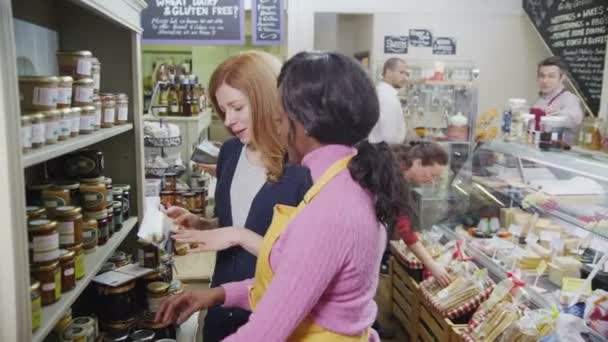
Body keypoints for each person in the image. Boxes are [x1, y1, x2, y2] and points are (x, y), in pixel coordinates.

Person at [157, 51, 409, 341]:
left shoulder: (332, 208)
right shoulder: (344, 182)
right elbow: (293, 274)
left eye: (280, 115)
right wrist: (220, 294)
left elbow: (264, 331)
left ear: (303, 121)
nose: (277, 125)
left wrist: (238, 241)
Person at [166, 51, 312, 342]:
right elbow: (237, 219)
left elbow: (305, 262)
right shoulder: (231, 153)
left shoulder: (301, 166)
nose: (229, 120)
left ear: (266, 100)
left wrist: (238, 235)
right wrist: (204, 225)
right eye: (223, 110)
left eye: (237, 107)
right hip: (221, 305)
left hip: (275, 316)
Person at [392, 141, 451, 286]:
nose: (432, 181)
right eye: (432, 174)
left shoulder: (398, 169)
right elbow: (405, 230)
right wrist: (432, 265)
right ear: (418, 163)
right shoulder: (395, 178)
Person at [531, 56, 584, 144]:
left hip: (559, 153)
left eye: (551, 76)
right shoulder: (540, 99)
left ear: (562, 78)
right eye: (542, 76)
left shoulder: (570, 99)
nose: (545, 81)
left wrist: (555, 116)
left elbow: (575, 119)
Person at [368, 57, 408, 144]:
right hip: (385, 151)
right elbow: (388, 137)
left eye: (406, 74)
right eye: (401, 73)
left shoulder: (385, 94)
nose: (405, 77)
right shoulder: (386, 97)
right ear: (388, 72)